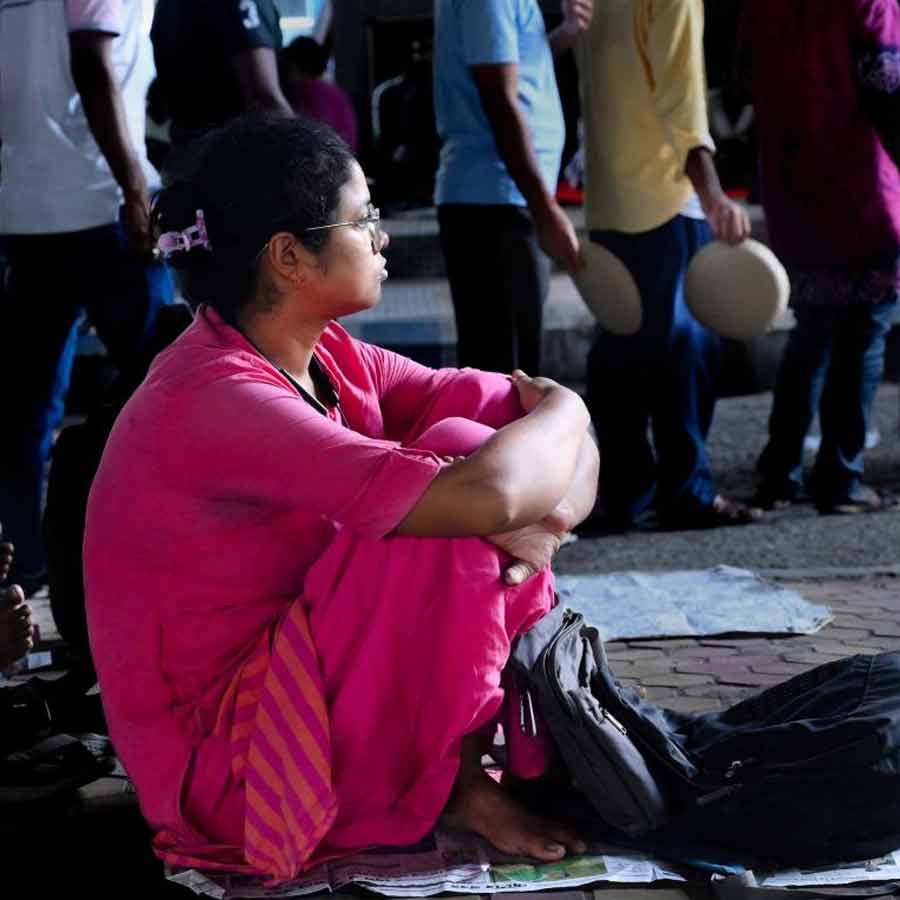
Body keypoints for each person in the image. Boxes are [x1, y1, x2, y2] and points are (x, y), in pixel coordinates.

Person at [83, 116, 599, 881]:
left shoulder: (324, 354)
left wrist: (542, 509)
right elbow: (499, 486)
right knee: (457, 490)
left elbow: (528, 443)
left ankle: (443, 779)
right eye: (363, 221)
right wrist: (572, 412)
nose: (382, 238)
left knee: (472, 440)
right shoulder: (217, 396)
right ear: (289, 257)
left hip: (288, 694)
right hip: (235, 774)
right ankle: (446, 788)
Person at [0, 0, 174, 592]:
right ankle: (176, 559)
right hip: (103, 207)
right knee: (174, 390)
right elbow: (91, 62)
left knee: (24, 412)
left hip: (24, 210)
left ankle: (25, 569)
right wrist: (132, 188)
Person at [574, 0, 757, 531]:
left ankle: (623, 492)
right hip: (665, 202)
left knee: (624, 347)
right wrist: (716, 196)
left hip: (609, 203)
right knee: (686, 349)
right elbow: (683, 108)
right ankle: (687, 491)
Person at [742, 0, 900, 515]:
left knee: (811, 333)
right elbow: (888, 94)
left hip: (794, 193)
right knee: (864, 334)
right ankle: (840, 477)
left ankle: (780, 471)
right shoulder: (869, 4)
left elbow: (744, 80)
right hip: (860, 192)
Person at [433, 0, 593, 375]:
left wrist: (562, 36)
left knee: (508, 368)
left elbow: (509, 68)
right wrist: (545, 210)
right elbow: (499, 99)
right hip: (497, 202)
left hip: (500, 198)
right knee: (508, 376)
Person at [151, 0, 293, 147]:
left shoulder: (166, 5)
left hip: (186, 154)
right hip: (234, 154)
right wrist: (308, 155)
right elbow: (263, 99)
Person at [280, 36, 358, 151]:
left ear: (297, 65)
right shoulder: (328, 90)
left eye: (290, 67)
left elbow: (317, 135)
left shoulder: (313, 90)